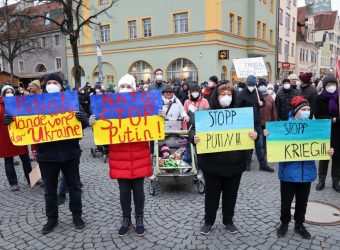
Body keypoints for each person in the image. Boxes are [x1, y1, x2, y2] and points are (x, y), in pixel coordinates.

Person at [13, 73, 88, 235]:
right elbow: (24, 122)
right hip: (47, 154)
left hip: (70, 152)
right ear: (45, 86)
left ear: (61, 86)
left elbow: (85, 123)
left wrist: (82, 118)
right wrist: (10, 120)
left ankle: (77, 216)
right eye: (50, 82)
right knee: (50, 190)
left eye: (56, 82)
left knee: (74, 187)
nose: (52, 85)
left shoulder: (71, 101)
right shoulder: (35, 104)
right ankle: (51, 219)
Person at [189, 82, 258, 235]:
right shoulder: (206, 113)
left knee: (231, 195)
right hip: (211, 165)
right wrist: (193, 137)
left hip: (235, 164)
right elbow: (192, 130)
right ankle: (209, 222)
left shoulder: (240, 115)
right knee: (211, 196)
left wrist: (254, 135)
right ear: (216, 96)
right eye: (222, 94)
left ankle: (228, 220)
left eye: (229, 94)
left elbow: (250, 132)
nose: (226, 97)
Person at [89, 74, 152, 237]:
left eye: (128, 86)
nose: (125, 90)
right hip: (120, 157)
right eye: (122, 86)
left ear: (134, 88)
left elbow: (152, 129)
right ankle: (126, 219)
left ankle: (139, 219)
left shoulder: (143, 105)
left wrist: (158, 117)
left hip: (139, 155)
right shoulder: (110, 108)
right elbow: (104, 133)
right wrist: (95, 123)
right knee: (124, 192)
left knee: (139, 191)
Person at [273, 96, 334, 239]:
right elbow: (276, 146)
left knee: (302, 201)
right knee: (286, 201)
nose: (307, 112)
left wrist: (328, 150)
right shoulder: (284, 128)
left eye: (308, 109)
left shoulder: (314, 128)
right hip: (288, 173)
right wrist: (269, 135)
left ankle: (299, 224)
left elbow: (321, 146)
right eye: (303, 109)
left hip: (306, 172)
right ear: (295, 111)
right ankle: (284, 223)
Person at [235, 75, 274, 172]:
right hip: (246, 124)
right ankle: (247, 164)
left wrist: (262, 104)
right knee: (248, 145)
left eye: (253, 84)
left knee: (259, 145)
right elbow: (237, 108)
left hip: (257, 122)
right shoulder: (241, 94)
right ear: (246, 84)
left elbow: (263, 102)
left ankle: (263, 164)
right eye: (250, 84)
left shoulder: (258, 92)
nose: (251, 86)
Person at [1, 85, 32, 191]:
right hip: (5, 137)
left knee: (25, 158)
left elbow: (25, 116)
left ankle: (30, 178)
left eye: (10, 92)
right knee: (8, 160)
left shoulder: (19, 103)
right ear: (3, 94)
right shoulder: (0, 106)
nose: (9, 93)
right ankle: (13, 183)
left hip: (19, 135)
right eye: (6, 92)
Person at [314, 75, 340, 193]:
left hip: (338, 132)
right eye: (328, 85)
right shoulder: (319, 98)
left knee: (337, 158)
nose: (331, 87)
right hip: (324, 132)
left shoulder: (339, 98)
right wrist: (331, 120)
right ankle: (321, 180)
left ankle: (336, 181)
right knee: (324, 157)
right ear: (324, 86)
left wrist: (337, 120)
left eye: (333, 84)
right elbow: (317, 115)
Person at [258, 79, 277, 158]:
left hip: (267, 122)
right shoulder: (256, 98)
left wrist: (274, 122)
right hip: (258, 122)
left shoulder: (270, 98)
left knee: (266, 139)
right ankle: (260, 154)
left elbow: (274, 112)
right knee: (259, 140)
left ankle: (265, 154)